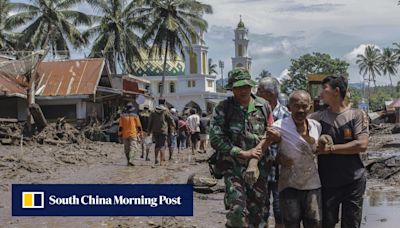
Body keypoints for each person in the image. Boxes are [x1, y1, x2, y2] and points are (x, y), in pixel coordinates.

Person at [209, 68, 278, 228]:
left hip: (259, 169)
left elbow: (270, 133)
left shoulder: (264, 106)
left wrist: (254, 158)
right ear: (232, 89)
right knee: (237, 212)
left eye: (246, 86)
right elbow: (215, 138)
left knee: (259, 215)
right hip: (233, 168)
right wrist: (243, 153)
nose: (243, 91)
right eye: (238, 87)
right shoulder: (223, 108)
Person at [309, 75, 369, 228]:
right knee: (327, 223)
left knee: (351, 223)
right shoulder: (317, 117)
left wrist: (330, 149)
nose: (321, 94)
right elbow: (305, 138)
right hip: (328, 181)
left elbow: (361, 144)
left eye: (325, 89)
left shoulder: (356, 115)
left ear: (336, 91)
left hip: (354, 180)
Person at [273, 90, 322, 228]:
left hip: (312, 184)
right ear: (289, 107)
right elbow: (265, 152)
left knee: (314, 223)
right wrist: (278, 159)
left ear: (310, 107)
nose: (301, 110)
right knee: (291, 223)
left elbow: (318, 149)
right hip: (289, 185)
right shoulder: (278, 126)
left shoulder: (316, 126)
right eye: (296, 106)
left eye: (304, 106)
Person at [257, 77, 290, 228]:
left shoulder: (285, 115)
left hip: (280, 171)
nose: (256, 94)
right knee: (259, 211)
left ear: (269, 94)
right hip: (259, 170)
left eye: (259, 91)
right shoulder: (255, 112)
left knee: (280, 210)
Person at [147, 99, 175, 165]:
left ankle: (156, 160)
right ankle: (161, 162)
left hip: (155, 131)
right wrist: (174, 126)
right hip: (163, 131)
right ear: (164, 103)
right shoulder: (166, 111)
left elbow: (150, 121)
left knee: (157, 145)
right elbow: (171, 120)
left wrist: (149, 131)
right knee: (162, 145)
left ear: (158, 102)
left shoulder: (153, 111)